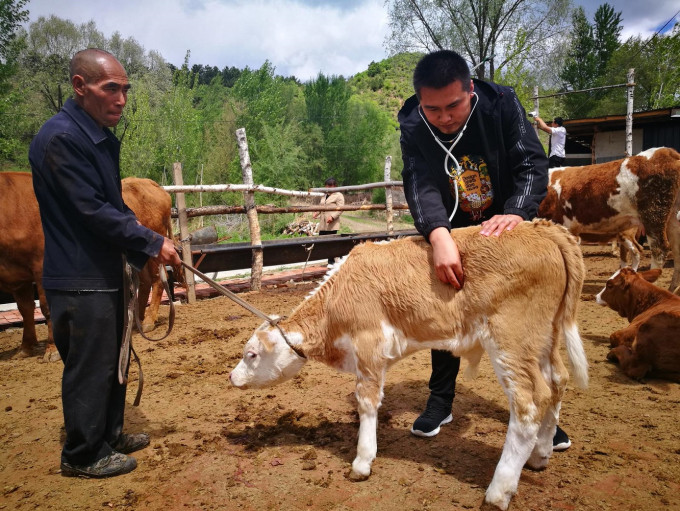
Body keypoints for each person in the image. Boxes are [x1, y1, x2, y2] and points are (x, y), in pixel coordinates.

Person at [398, 49, 571, 451]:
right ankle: (441, 401)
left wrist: (516, 212)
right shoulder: (411, 124)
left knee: (523, 320)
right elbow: (419, 182)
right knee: (444, 305)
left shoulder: (503, 104)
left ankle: (541, 414)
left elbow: (530, 162)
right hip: (450, 227)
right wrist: (438, 235)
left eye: (453, 105)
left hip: (506, 223)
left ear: (470, 90)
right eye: (433, 108)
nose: (444, 117)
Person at [29, 49, 181, 478]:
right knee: (90, 366)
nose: (121, 99)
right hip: (80, 275)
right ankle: (81, 455)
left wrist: (144, 247)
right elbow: (93, 211)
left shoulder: (90, 135)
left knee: (115, 356)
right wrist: (153, 242)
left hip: (101, 271)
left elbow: (109, 207)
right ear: (80, 87)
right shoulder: (62, 139)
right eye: (110, 88)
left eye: (125, 90)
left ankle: (109, 434)